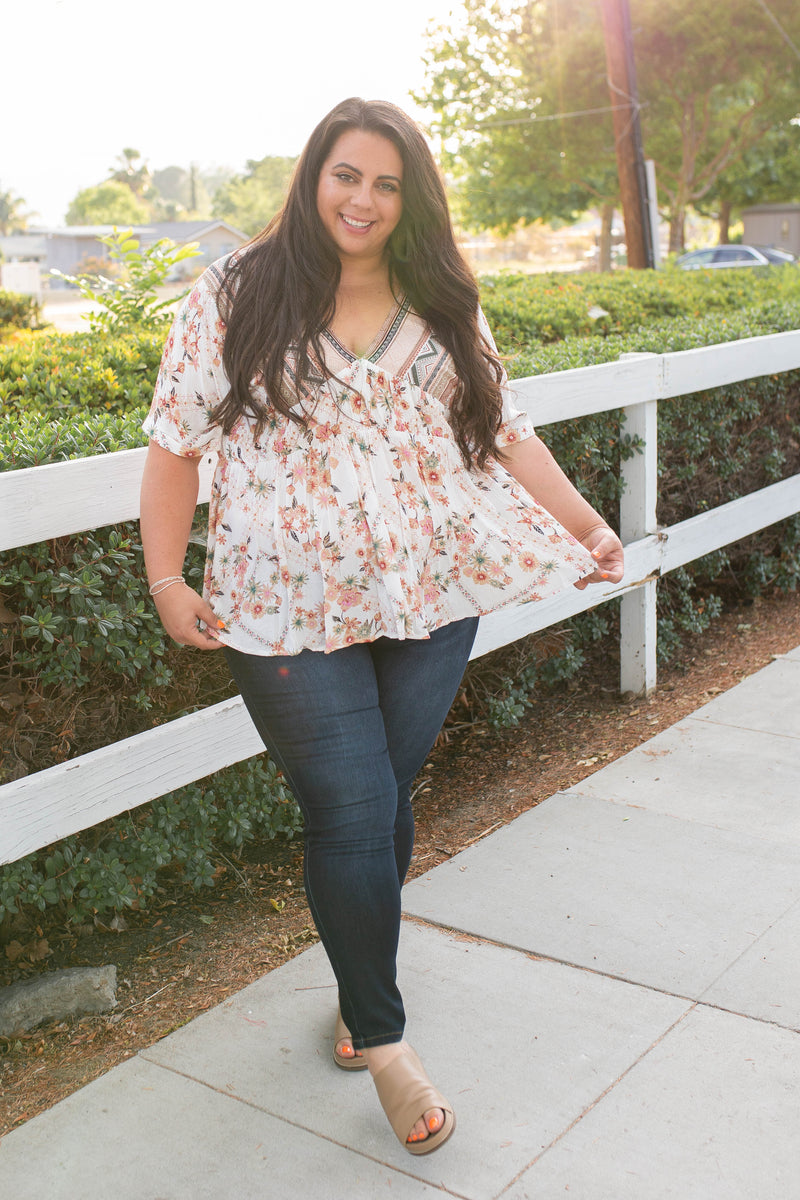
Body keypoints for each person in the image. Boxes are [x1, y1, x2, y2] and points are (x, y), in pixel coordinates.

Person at [139, 96, 624, 1156]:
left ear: (410, 199)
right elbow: (174, 444)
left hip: (427, 593)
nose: (362, 199)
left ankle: (361, 983)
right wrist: (166, 579)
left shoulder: (439, 298)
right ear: (313, 177)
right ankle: (384, 1034)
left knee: (383, 796)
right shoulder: (234, 295)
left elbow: (501, 427)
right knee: (352, 807)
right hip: (282, 607)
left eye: (385, 183)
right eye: (344, 174)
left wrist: (586, 523)